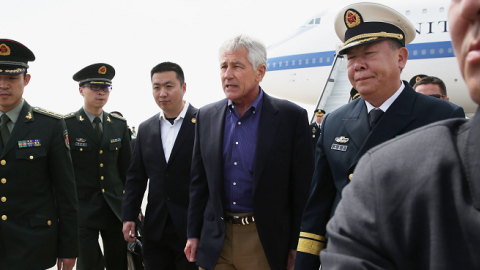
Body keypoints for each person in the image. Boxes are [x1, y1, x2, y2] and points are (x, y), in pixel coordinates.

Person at [295, 3, 466, 269]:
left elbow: (457, 213)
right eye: (350, 58)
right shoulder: (334, 122)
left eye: (369, 53)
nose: (358, 65)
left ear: (401, 58)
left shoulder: (442, 117)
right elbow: (318, 209)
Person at [184, 34, 314, 270]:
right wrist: (193, 233)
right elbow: (198, 183)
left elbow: (301, 190)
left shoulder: (290, 117)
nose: (227, 74)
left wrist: (296, 245)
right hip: (216, 241)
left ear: (260, 72)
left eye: (237, 66)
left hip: (264, 240)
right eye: (224, 66)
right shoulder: (206, 116)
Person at [0, 39, 78, 270]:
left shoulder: (50, 126)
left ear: (26, 80)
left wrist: (69, 248)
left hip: (32, 243)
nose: (3, 84)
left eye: (12, 78)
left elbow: (66, 192)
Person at [122, 62, 198, 270]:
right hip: (155, 229)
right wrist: (129, 215)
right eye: (156, 87)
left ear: (183, 88)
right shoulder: (146, 129)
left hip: (192, 229)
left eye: (169, 86)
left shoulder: (203, 123)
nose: (162, 93)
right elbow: (136, 177)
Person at [64, 63, 132, 270]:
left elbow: (127, 171)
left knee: (118, 262)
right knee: (88, 264)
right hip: (82, 209)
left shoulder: (118, 125)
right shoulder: (66, 125)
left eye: (106, 88)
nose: (101, 92)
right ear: (81, 90)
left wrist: (132, 208)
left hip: (114, 208)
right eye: (94, 87)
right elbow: (62, 173)